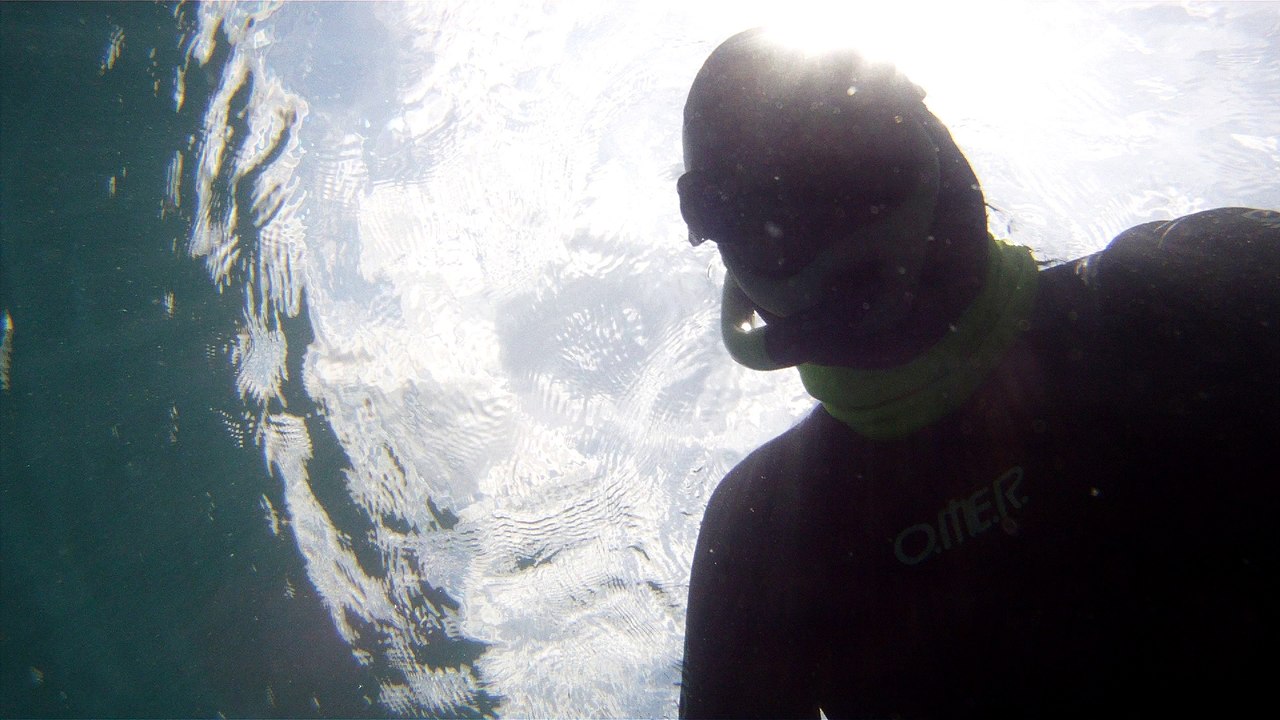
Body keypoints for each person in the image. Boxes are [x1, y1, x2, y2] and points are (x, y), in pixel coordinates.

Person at [676, 28, 1279, 719]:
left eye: (861, 156)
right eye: (772, 206)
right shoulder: (762, 533)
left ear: (932, 136)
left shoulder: (1186, 285)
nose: (848, 237)